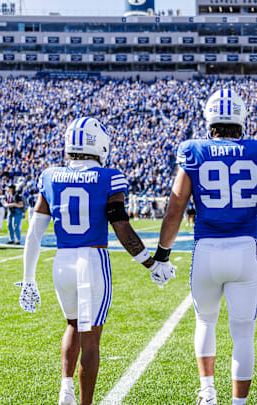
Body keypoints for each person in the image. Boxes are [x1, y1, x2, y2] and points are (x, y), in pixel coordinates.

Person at [16, 117, 175, 405]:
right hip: (91, 261)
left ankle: (66, 390)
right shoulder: (108, 177)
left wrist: (28, 279)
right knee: (90, 337)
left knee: (72, 325)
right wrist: (151, 264)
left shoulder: (50, 176)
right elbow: (120, 226)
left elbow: (33, 234)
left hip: (61, 262)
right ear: (99, 144)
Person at [155, 89, 257, 405]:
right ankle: (238, 403)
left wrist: (162, 255)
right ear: (242, 119)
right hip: (245, 251)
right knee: (243, 332)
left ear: (210, 120)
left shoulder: (195, 151)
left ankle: (207, 393)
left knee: (205, 321)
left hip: (206, 249)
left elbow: (175, 208)